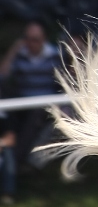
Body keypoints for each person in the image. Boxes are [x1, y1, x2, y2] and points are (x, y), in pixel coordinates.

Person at [0, 22, 62, 168]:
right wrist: (14, 50)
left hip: (44, 105)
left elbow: (63, 82)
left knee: (35, 115)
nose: (30, 43)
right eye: (27, 39)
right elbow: (2, 75)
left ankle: (14, 162)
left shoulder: (55, 56)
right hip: (22, 103)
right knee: (8, 116)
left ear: (44, 39)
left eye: (35, 39)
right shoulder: (20, 55)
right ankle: (11, 162)